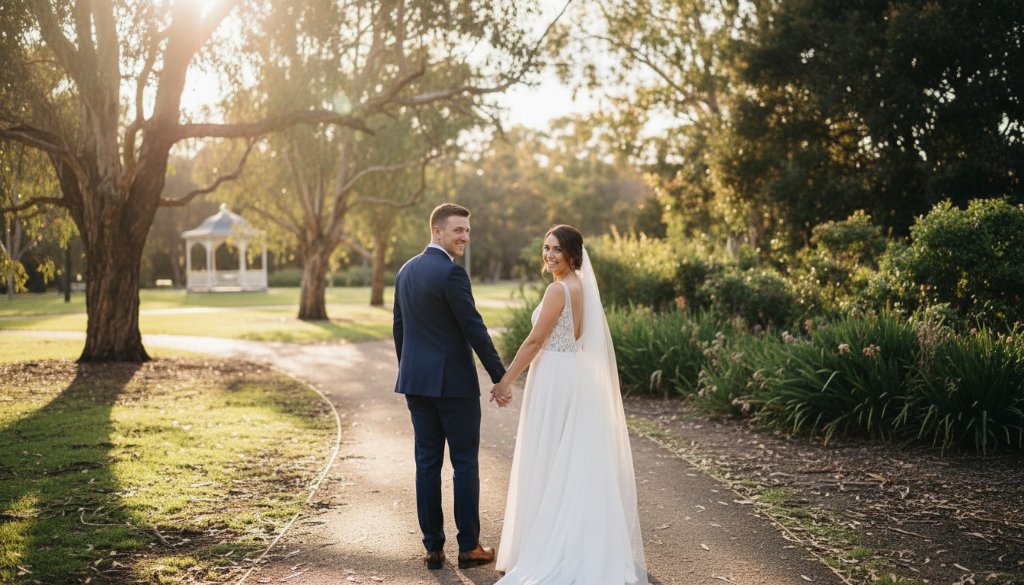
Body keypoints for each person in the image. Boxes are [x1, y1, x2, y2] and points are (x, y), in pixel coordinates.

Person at [489, 225, 648, 585]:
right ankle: (571, 536)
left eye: (557, 249)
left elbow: (533, 342)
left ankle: (549, 545)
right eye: (546, 248)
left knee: (549, 453)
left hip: (554, 378)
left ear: (573, 253)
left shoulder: (558, 289)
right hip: (572, 374)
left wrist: (505, 379)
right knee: (570, 457)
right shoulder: (583, 287)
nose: (549, 255)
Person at [393, 203, 507, 571]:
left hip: (416, 385)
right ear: (437, 231)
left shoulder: (405, 271)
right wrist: (499, 376)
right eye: (458, 230)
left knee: (426, 464)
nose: (465, 237)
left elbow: (400, 330)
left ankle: (433, 548)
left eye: (468, 231)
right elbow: (473, 327)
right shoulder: (451, 274)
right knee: (463, 465)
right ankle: (470, 548)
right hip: (454, 387)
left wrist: (410, 371)